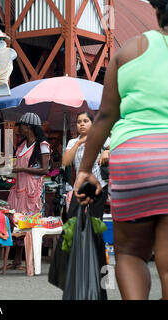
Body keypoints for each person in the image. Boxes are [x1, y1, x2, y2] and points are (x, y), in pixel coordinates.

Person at [74, 0, 168, 300]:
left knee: (129, 252)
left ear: (157, 10)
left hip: (132, 157)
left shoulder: (132, 50)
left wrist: (85, 170)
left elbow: (105, 117)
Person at [7, 112, 50, 270]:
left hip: (33, 189)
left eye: (22, 126)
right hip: (19, 188)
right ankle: (17, 261)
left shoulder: (42, 145)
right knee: (18, 223)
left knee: (31, 225)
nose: (20, 129)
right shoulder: (21, 144)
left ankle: (29, 261)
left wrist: (22, 169)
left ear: (29, 127)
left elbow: (45, 170)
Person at [62, 111, 110, 221]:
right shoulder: (72, 142)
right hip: (80, 185)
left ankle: (95, 239)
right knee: (72, 219)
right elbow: (65, 161)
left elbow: (116, 147)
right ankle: (74, 239)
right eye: (79, 122)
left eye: (85, 121)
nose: (82, 124)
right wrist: (78, 143)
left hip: (99, 184)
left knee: (95, 220)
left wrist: (106, 152)